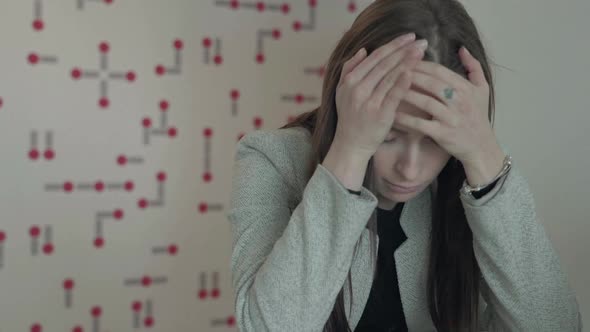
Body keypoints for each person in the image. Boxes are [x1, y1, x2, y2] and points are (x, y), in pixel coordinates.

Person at [226, 0, 583, 331]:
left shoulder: (471, 172)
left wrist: (484, 156)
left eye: (434, 139)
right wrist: (349, 149)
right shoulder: (271, 159)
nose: (411, 170)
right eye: (388, 136)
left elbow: (556, 325)